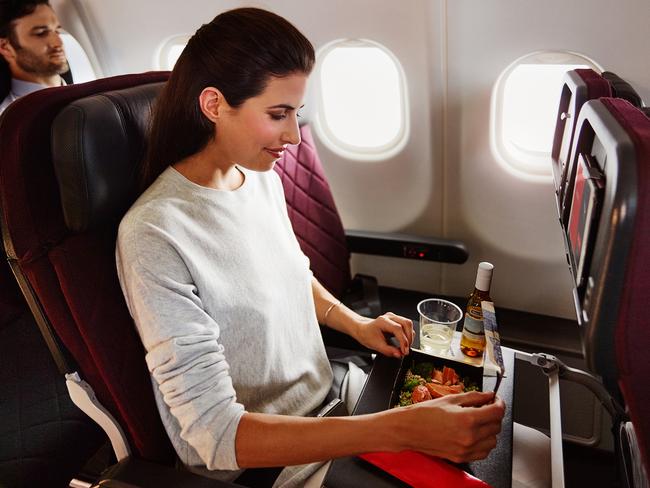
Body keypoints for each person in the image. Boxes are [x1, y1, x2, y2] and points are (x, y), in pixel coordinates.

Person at [116, 8, 506, 488]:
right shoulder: (154, 233)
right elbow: (214, 436)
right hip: (268, 463)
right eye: (277, 114)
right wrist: (398, 430)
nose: (294, 136)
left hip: (334, 403)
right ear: (215, 105)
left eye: (295, 114)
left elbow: (291, 272)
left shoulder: (256, 178)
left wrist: (356, 324)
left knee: (480, 436)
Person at [0, 0, 68, 115]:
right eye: (40, 33)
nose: (58, 42)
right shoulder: (7, 122)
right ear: (5, 47)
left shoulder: (93, 96)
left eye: (57, 31)